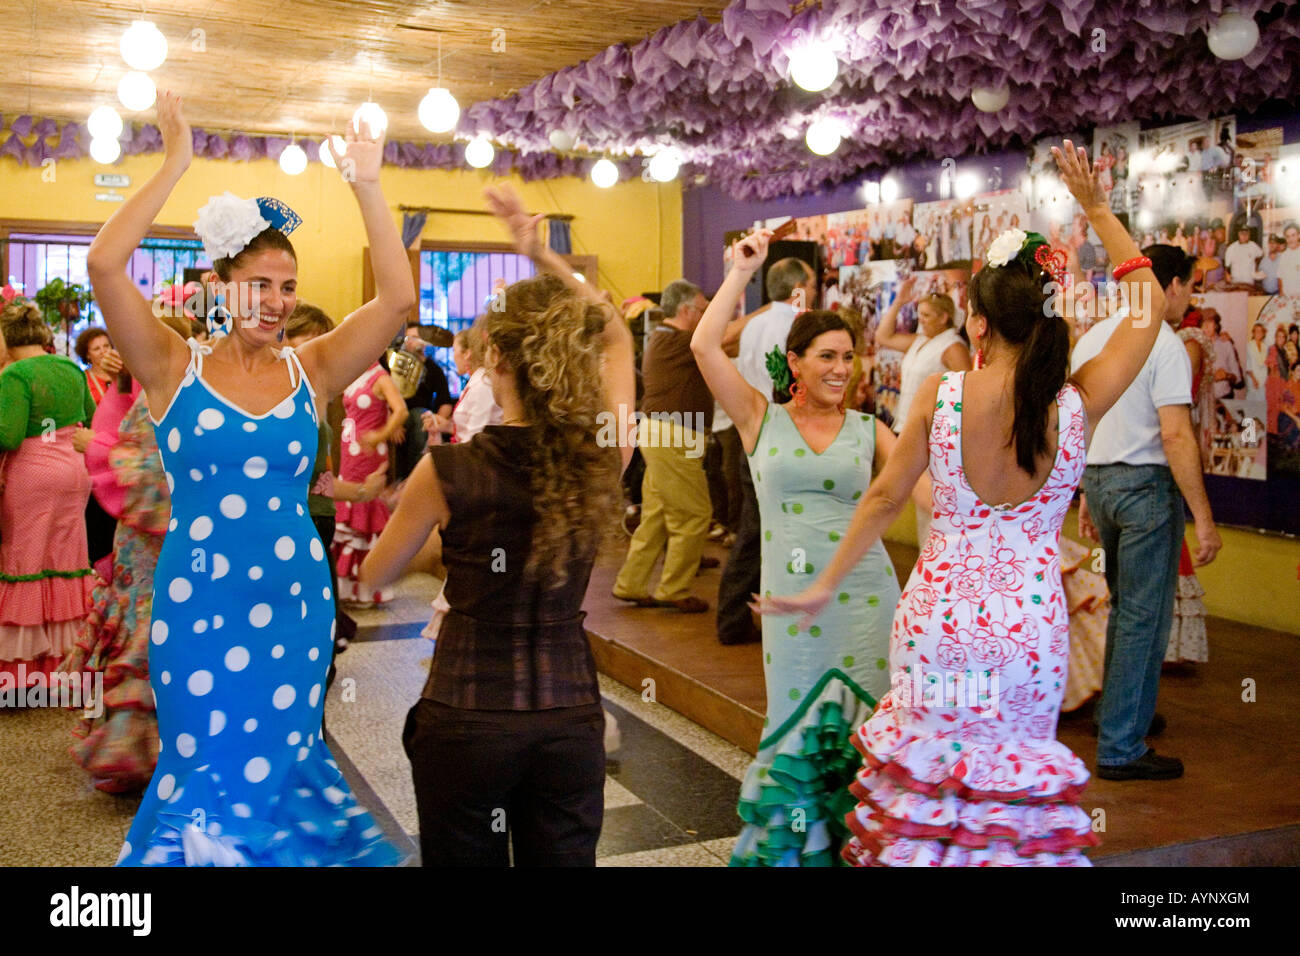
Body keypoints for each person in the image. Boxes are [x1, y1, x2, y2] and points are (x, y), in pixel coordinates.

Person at [759, 141, 1170, 864]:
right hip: (1028, 631)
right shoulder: (1077, 404)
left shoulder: (941, 396)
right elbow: (1151, 304)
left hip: (941, 622)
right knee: (1008, 804)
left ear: (976, 324)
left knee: (933, 798)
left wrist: (820, 586)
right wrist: (1097, 209)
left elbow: (886, 497)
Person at [87, 92, 410, 866]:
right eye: (259, 284)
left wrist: (368, 183)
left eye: (287, 287)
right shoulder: (171, 365)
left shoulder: (315, 368)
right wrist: (175, 162)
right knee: (203, 761)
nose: (275, 302)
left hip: (294, 600)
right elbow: (103, 263)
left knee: (282, 759)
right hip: (199, 605)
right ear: (219, 285)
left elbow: (398, 299)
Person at [361, 183, 636, 866]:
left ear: (497, 362)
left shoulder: (447, 471)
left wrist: (439, 550)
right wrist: (542, 253)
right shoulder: (602, 453)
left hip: (468, 713)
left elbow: (375, 574)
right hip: (568, 716)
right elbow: (617, 330)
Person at [693, 233, 916, 865]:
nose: (842, 369)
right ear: (795, 362)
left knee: (869, 733)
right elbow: (704, 346)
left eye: (848, 357)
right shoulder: (759, 418)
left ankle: (864, 852)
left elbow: (928, 492)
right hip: (793, 609)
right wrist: (739, 273)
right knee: (795, 730)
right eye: (827, 356)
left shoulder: (872, 429)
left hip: (869, 599)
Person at [1074, 243, 1222, 780]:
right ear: (1170, 286)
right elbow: (1176, 434)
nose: (1188, 296)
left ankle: (1118, 714)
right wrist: (1203, 518)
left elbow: (1083, 424)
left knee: (1125, 608)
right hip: (1144, 487)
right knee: (1145, 615)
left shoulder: (1093, 337)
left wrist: (1087, 491)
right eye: (1187, 284)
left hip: (1102, 480)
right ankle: (1121, 745)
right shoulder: (1165, 344)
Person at [63, 310, 192, 793]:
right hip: (145, 541)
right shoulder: (155, 392)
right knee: (145, 635)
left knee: (150, 637)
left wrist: (94, 446)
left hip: (158, 539)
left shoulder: (169, 397)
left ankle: (147, 752)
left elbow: (147, 467)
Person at [716, 259, 817, 644]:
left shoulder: (755, 324)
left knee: (755, 528)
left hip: (754, 431)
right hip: (780, 434)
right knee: (761, 531)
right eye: (811, 282)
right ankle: (737, 619)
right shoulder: (795, 325)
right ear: (796, 286)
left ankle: (741, 617)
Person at [0, 305, 96, 688]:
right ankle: (64, 670)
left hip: (33, 474)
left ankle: (21, 676)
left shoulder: (15, 374)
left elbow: (8, 435)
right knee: (67, 562)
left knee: (23, 561)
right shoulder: (72, 368)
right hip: (75, 469)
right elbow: (88, 415)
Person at [612, 279, 713, 612]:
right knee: (695, 514)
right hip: (674, 435)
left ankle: (631, 583)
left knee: (655, 515)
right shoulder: (678, 340)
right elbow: (722, 337)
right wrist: (769, 312)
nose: (706, 314)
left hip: (663, 434)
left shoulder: (665, 338)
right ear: (685, 311)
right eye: (703, 309)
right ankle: (674, 589)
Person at [874, 274, 971, 545]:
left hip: (935, 434)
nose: (921, 320)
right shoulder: (920, 341)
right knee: (918, 501)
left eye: (927, 315)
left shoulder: (952, 346)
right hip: (909, 429)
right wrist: (899, 302)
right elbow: (883, 336)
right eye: (920, 314)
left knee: (932, 500)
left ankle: (938, 564)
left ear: (943, 318)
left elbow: (969, 388)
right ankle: (928, 561)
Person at [331, 359, 407, 605]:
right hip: (350, 450)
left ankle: (366, 587)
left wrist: (381, 434)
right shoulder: (355, 372)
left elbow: (401, 410)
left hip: (368, 453)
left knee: (365, 507)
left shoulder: (380, 377)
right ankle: (348, 588)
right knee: (350, 508)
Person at [383, 323, 452, 479]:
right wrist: (393, 422)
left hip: (420, 418)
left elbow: (445, 402)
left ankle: (417, 478)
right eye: (408, 338)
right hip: (394, 417)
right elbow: (383, 398)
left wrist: (436, 422)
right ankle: (402, 481)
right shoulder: (394, 363)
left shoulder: (433, 369)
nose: (409, 342)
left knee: (420, 416)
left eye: (414, 338)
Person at [76, 326, 124, 407]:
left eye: (106, 346)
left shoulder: (124, 374)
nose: (103, 351)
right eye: (96, 349)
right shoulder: (83, 380)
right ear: (87, 355)